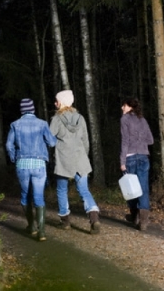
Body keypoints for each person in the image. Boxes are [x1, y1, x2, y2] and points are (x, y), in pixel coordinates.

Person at [49, 90, 101, 234]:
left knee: (61, 189)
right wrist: (84, 155)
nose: (55, 103)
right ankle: (94, 218)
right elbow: (86, 141)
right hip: (80, 158)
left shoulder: (56, 119)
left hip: (63, 159)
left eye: (57, 101)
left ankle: (65, 221)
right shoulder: (80, 118)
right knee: (84, 190)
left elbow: (49, 139)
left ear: (62, 103)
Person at [6, 98, 57, 241]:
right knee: (38, 197)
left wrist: (14, 157)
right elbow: (52, 142)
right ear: (33, 109)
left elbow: (8, 145)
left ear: (22, 110)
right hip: (39, 165)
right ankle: (42, 232)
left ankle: (32, 227)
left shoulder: (15, 125)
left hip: (22, 164)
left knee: (25, 196)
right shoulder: (42, 124)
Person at [120, 97, 154, 230]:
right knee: (143, 188)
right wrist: (140, 141)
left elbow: (125, 141)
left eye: (124, 105)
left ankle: (135, 216)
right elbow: (150, 140)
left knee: (131, 189)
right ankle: (144, 221)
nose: (122, 108)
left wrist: (122, 161)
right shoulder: (143, 120)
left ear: (130, 107)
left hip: (130, 157)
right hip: (144, 156)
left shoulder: (125, 119)